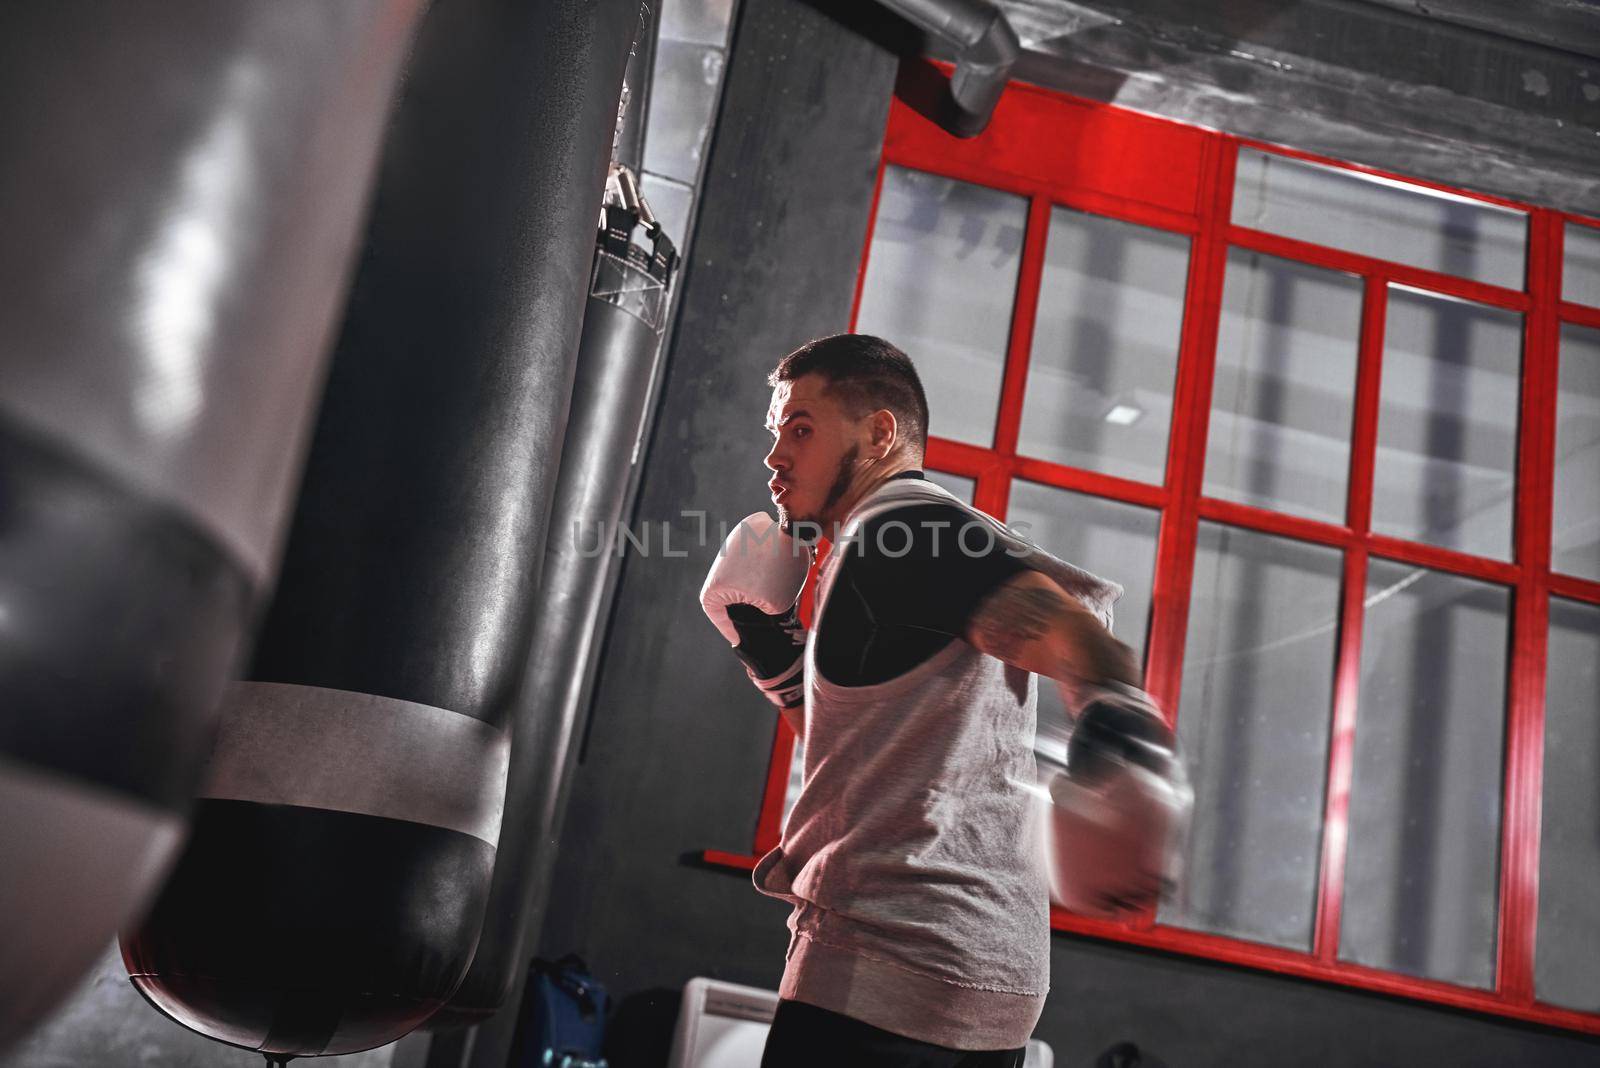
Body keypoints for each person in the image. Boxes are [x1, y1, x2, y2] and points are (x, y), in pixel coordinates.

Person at [699, 334, 1180, 1066]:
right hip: (979, 979)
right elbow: (855, 761)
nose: (775, 456)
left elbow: (1083, 643)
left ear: (881, 432)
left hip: (885, 964)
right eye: (775, 433)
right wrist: (772, 653)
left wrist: (1121, 751)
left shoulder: (903, 529)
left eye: (801, 428)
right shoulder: (883, 553)